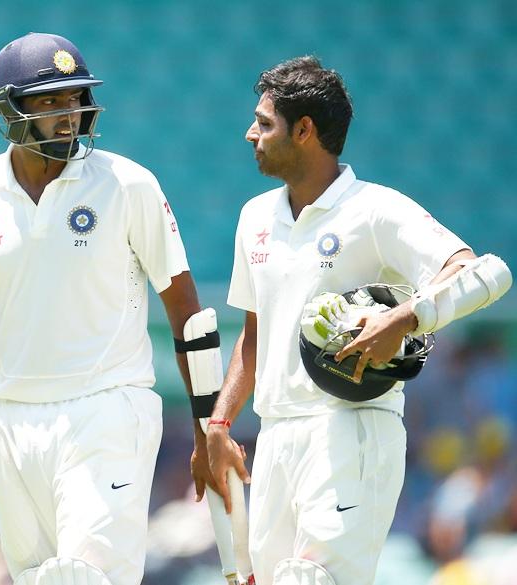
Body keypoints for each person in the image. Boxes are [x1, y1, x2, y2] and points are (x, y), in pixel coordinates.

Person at [0, 32, 207, 585]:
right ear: (7, 111)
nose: (70, 115)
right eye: (50, 102)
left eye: (76, 99)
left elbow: (187, 310)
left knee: (83, 576)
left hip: (107, 407)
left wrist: (211, 425)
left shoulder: (127, 185)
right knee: (35, 577)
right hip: (11, 416)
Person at [203, 56, 512, 585]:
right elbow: (255, 338)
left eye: (265, 122)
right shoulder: (254, 217)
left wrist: (407, 317)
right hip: (276, 435)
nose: (249, 133)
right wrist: (219, 422)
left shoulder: (376, 211)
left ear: (304, 130)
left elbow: (487, 273)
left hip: (351, 430)